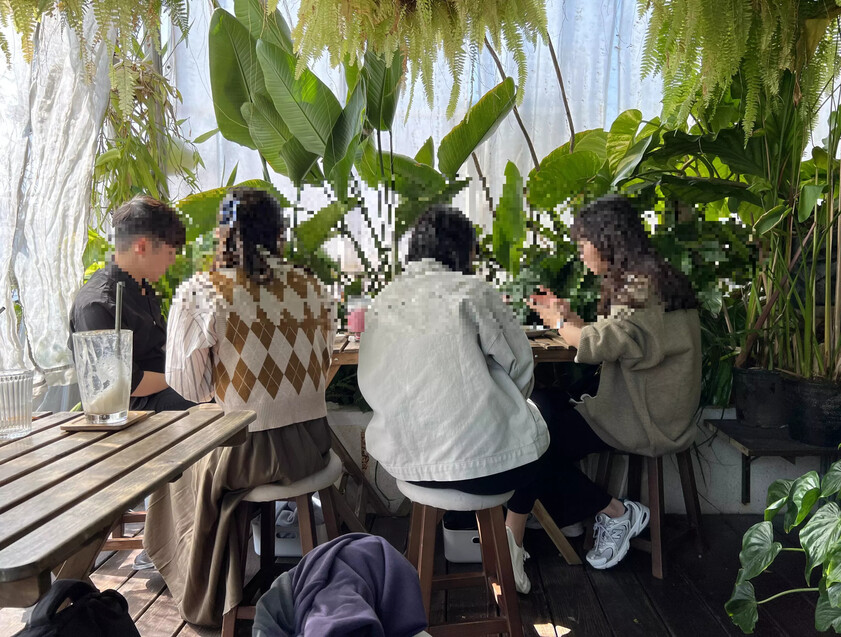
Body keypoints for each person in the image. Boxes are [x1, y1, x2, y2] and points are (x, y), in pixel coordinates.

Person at [143, 187, 336, 626]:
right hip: (313, 445)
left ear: (223, 233)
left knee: (173, 457)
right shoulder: (311, 285)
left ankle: (200, 580)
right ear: (279, 233)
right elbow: (323, 362)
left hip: (248, 455)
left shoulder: (204, 291)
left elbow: (190, 388)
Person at [358, 205, 551, 595]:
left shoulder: (382, 301)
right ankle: (512, 542)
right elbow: (520, 368)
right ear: (464, 250)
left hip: (407, 465)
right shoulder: (473, 292)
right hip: (488, 472)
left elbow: (371, 381)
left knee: (525, 428)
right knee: (538, 427)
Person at [526, 194, 701, 570]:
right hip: (660, 406)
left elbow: (598, 345)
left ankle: (615, 512)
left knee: (531, 442)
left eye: (583, 244)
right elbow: (620, 339)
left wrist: (558, 322)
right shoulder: (656, 278)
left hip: (645, 418)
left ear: (605, 241)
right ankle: (566, 511)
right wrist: (568, 316)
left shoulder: (639, 287)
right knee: (544, 409)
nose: (581, 253)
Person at [70, 195, 195, 413]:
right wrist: (181, 376)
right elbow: (126, 383)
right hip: (131, 409)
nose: (173, 261)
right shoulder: (98, 303)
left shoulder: (141, 286)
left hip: (163, 393)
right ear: (142, 247)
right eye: (170, 253)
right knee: (216, 398)